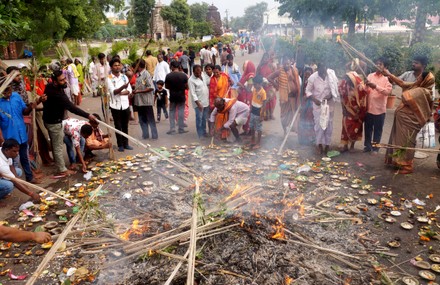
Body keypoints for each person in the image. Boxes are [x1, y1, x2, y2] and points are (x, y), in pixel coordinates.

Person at [43, 70, 97, 177]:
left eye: (64, 79)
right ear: (54, 82)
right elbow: (72, 108)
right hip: (54, 122)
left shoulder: (52, 87)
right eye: (61, 80)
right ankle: (62, 169)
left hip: (53, 119)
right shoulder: (57, 93)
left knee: (57, 145)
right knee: (58, 146)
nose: (65, 81)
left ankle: (61, 165)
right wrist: (88, 115)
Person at [383, 69, 435, 174]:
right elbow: (402, 83)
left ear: (425, 80)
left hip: (409, 122)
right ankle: (398, 162)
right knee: (399, 141)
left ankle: (407, 166)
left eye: (420, 77)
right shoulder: (418, 86)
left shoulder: (423, 91)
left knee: (406, 143)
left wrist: (408, 88)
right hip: (403, 121)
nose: (418, 78)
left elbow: (405, 96)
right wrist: (389, 74)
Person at [0, 86, 43, 183]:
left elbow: (24, 111)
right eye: (5, 91)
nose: (8, 93)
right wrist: (2, 140)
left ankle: (29, 177)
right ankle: (14, 183)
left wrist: (30, 107)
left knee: (25, 157)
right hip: (9, 137)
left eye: (9, 90)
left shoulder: (16, 96)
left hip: (21, 134)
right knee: (12, 161)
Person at [305, 62, 340, 154]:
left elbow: (336, 89)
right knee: (319, 125)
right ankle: (319, 144)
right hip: (318, 105)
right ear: (318, 69)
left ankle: (327, 145)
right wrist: (314, 99)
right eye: (321, 70)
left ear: (326, 69)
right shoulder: (313, 78)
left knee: (329, 125)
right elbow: (307, 91)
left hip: (329, 105)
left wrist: (331, 96)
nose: (323, 73)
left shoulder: (331, 76)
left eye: (324, 70)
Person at [364, 57, 393, 153]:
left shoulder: (387, 78)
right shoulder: (370, 76)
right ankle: (367, 147)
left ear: (385, 67)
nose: (378, 65)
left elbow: (388, 91)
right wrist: (365, 86)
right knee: (368, 129)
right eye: (377, 63)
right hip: (369, 108)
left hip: (380, 109)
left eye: (380, 64)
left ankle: (375, 148)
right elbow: (365, 89)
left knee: (378, 130)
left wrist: (375, 86)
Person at [267, 58, 301, 134]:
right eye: (285, 64)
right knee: (283, 117)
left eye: (288, 64)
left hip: (293, 97)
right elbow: (269, 78)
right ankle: (285, 131)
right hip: (284, 98)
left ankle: (291, 129)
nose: (287, 65)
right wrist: (276, 85)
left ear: (290, 63)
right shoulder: (280, 71)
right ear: (283, 64)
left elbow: (297, 82)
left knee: (293, 115)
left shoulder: (294, 70)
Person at [107, 57, 133, 152]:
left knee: (125, 125)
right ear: (111, 67)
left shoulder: (124, 77)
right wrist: (123, 88)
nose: (117, 67)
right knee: (118, 126)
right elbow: (113, 92)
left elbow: (129, 91)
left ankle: (126, 143)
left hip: (125, 104)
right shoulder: (109, 78)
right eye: (115, 65)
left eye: (119, 65)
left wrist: (121, 92)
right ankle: (120, 144)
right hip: (115, 105)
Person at [338, 72, 368, 152]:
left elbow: (363, 102)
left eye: (348, 79)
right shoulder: (345, 85)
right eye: (346, 79)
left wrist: (359, 115)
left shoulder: (360, 88)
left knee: (356, 128)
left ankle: (352, 146)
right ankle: (345, 145)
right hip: (348, 111)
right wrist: (344, 109)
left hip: (358, 112)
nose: (346, 81)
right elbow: (342, 97)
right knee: (345, 126)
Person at [133, 59, 158, 140]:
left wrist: (138, 91)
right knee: (142, 119)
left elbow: (151, 87)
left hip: (146, 102)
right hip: (139, 102)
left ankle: (154, 135)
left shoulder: (146, 74)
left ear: (139, 66)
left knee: (150, 119)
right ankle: (145, 134)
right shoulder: (138, 74)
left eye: (136, 65)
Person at [165, 61, 188, 134]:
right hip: (181, 96)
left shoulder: (168, 76)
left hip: (173, 96)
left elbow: (166, 86)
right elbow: (187, 86)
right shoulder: (184, 75)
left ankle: (172, 129)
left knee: (172, 112)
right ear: (179, 67)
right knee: (181, 112)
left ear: (172, 67)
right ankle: (181, 129)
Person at [189, 65, 210, 138]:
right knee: (199, 118)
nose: (198, 74)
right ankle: (200, 134)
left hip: (206, 101)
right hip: (198, 103)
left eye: (199, 73)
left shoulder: (203, 75)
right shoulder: (191, 80)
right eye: (196, 73)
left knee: (204, 118)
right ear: (193, 72)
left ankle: (204, 132)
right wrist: (198, 104)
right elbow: (193, 93)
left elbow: (207, 83)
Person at [237, 60, 256, 135]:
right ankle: (246, 130)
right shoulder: (246, 75)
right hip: (244, 97)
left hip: (248, 97)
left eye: (245, 65)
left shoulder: (250, 76)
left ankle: (248, 130)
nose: (243, 67)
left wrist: (240, 85)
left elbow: (249, 89)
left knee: (247, 113)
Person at [247, 75, 267, 149]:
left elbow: (264, 104)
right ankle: (252, 140)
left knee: (259, 128)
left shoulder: (263, 92)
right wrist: (251, 109)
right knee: (252, 126)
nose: (254, 85)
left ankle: (258, 143)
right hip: (253, 110)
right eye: (254, 84)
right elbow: (252, 98)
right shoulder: (254, 89)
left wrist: (262, 115)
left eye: (255, 84)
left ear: (260, 84)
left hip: (259, 112)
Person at [298, 67, 315, 146]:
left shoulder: (313, 82)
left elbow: (313, 93)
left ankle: (309, 139)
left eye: (309, 74)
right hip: (304, 103)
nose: (307, 76)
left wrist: (307, 96)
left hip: (310, 104)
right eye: (306, 74)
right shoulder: (303, 82)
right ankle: (302, 139)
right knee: (302, 120)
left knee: (309, 120)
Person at [257, 52, 277, 120]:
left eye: (267, 58)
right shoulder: (260, 66)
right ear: (263, 58)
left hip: (270, 85)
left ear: (268, 58)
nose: (266, 59)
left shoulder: (272, 65)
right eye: (264, 58)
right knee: (264, 100)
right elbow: (257, 75)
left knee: (272, 101)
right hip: (262, 86)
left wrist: (273, 83)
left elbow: (275, 75)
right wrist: (260, 82)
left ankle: (271, 114)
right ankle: (264, 114)